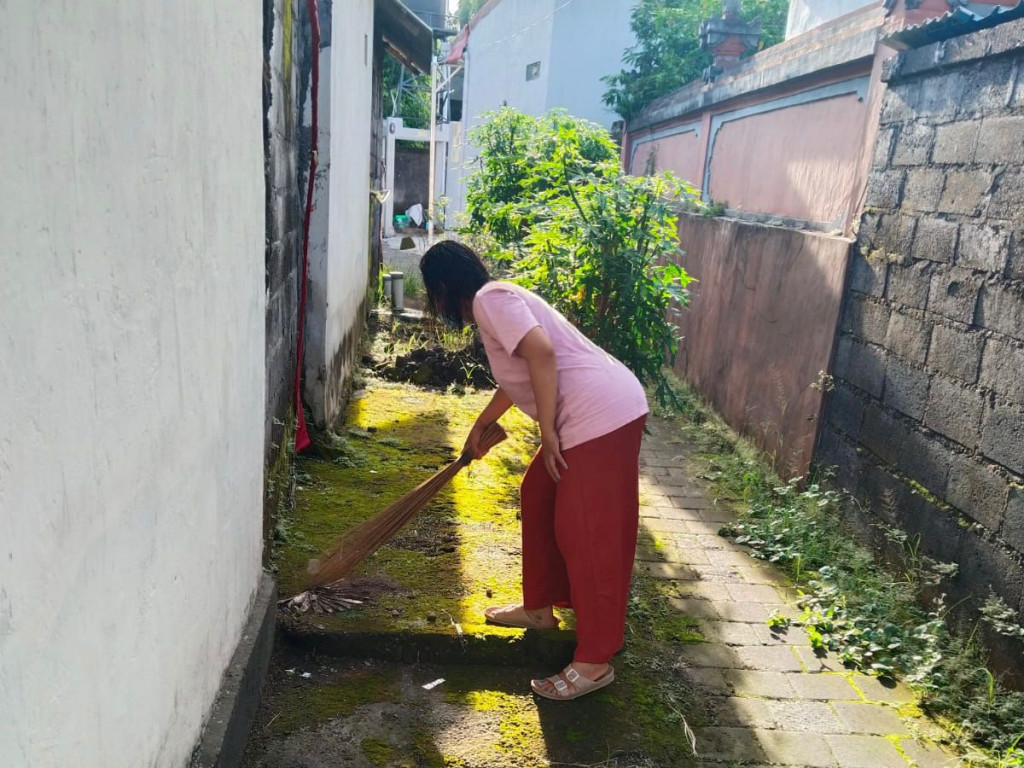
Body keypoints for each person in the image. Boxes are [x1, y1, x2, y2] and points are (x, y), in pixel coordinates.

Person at [419, 241, 649, 701]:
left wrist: (548, 434)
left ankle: (594, 660)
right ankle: (540, 608)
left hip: (602, 415)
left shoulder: (490, 300)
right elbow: (519, 372)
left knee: (587, 532)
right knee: (539, 494)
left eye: (433, 294)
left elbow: (542, 354)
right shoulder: (497, 301)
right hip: (595, 411)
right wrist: (484, 422)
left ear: (443, 287)